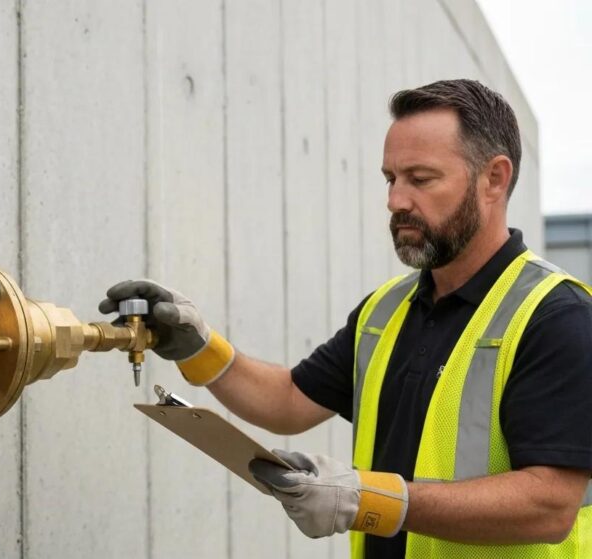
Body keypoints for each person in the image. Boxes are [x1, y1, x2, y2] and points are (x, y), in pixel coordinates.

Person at [100, 79, 592, 558]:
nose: (396, 201)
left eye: (420, 179)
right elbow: (290, 401)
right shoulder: (386, 311)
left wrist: (367, 500)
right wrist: (199, 348)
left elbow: (548, 505)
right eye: (391, 179)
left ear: (494, 178)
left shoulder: (555, 317)